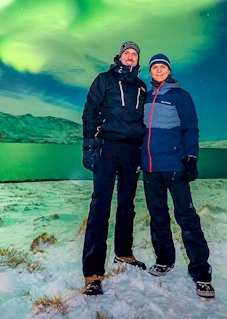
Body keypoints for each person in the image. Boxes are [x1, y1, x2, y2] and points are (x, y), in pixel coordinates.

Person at [141, 53, 215, 298]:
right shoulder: (146, 96)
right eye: (155, 67)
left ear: (169, 71)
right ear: (150, 71)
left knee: (186, 218)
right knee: (158, 216)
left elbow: (190, 127)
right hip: (150, 169)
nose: (159, 70)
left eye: (163, 67)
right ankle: (164, 259)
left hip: (174, 165)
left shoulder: (180, 96)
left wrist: (191, 158)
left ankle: (201, 273)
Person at [80, 41, 148, 296]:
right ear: (120, 57)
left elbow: (145, 120)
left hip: (132, 150)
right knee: (100, 206)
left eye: (134, 54)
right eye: (126, 53)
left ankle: (123, 253)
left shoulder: (142, 87)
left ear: (137, 60)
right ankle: (93, 273)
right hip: (107, 147)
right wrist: (89, 145)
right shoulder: (104, 79)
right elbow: (90, 111)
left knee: (127, 205)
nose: (130, 57)